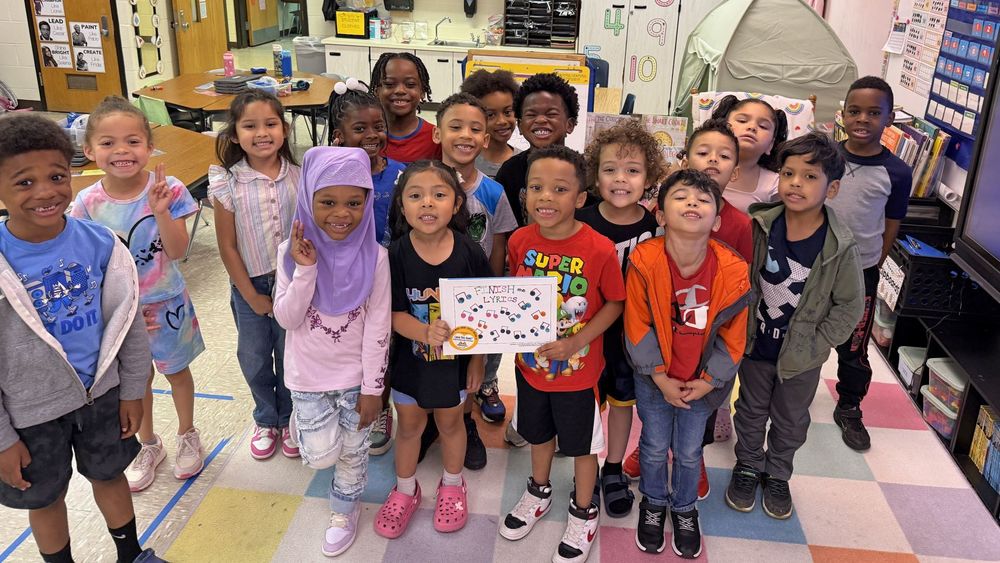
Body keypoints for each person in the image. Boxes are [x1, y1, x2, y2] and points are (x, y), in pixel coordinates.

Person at [0, 114, 164, 563]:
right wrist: (1, 438)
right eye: (24, 182)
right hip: (29, 414)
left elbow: (127, 323)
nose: (45, 192)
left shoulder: (103, 244)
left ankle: (131, 555)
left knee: (110, 476)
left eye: (56, 176)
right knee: (44, 498)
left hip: (102, 397)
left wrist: (132, 391)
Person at [70, 95, 205, 493]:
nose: (122, 151)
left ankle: (187, 433)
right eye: (108, 142)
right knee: (136, 380)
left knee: (177, 372)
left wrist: (161, 210)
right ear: (89, 150)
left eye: (132, 141)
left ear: (149, 147)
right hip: (122, 313)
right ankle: (149, 444)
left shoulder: (171, 188)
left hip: (167, 302)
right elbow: (85, 267)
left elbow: (178, 251)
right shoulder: (87, 203)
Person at [727, 133, 864, 521]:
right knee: (750, 410)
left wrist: (818, 343)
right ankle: (749, 465)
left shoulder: (840, 245)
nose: (795, 184)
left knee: (790, 418)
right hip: (756, 346)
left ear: (831, 188)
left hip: (801, 357)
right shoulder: (759, 224)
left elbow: (850, 305)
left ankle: (778, 473)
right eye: (788, 173)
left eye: (809, 176)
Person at [500, 146, 625, 563]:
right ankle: (538, 490)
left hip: (578, 372)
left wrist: (575, 342)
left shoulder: (600, 248)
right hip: (529, 367)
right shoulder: (519, 239)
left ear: (580, 197)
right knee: (538, 433)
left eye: (559, 189)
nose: (545, 197)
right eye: (536, 187)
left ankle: (584, 510)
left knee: (582, 445)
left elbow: (614, 303)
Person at [623, 169, 750, 557]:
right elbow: (637, 324)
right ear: (660, 214)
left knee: (691, 450)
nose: (692, 203)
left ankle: (684, 508)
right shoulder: (644, 260)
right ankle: (653, 502)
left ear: (717, 219)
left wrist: (709, 381)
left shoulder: (733, 269)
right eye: (680, 197)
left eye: (703, 199)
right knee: (655, 445)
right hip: (654, 379)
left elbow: (734, 336)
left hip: (703, 382)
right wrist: (659, 376)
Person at [272, 147, 390, 557]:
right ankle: (304, 428)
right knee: (321, 456)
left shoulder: (376, 257)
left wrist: (374, 389)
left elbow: (379, 327)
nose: (342, 213)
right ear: (307, 198)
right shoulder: (290, 251)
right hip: (306, 378)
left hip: (355, 380)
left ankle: (344, 509)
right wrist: (306, 270)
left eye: (354, 203)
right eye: (327, 202)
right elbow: (286, 319)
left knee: (354, 454)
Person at [374, 161, 491, 539]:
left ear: (456, 204)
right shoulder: (395, 255)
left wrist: (477, 361)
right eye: (416, 195)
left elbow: (485, 315)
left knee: (452, 423)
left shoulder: (471, 253)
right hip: (410, 364)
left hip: (454, 369)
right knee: (408, 427)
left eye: (439, 195)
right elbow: (392, 315)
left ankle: (453, 485)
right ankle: (406, 490)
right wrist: (424, 331)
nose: (427, 203)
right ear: (402, 206)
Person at [576, 119, 666, 518]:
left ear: (648, 178)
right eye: (610, 169)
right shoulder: (584, 222)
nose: (620, 179)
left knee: (623, 400)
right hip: (588, 330)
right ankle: (586, 467)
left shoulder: (654, 226)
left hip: (632, 334)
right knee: (587, 401)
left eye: (632, 171)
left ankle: (613, 467)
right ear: (595, 174)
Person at [209, 90, 301, 460]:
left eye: (270, 124)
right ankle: (267, 417)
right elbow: (228, 247)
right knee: (256, 356)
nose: (261, 133)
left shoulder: (300, 175)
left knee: (291, 353)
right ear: (234, 135)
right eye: (250, 126)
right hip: (250, 284)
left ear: (285, 129)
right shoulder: (226, 183)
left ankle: (292, 417)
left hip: (293, 283)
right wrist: (250, 295)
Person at [431, 93, 519, 469]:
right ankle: (426, 425)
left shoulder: (493, 192)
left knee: (469, 369)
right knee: (431, 363)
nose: (465, 135)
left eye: (475, 129)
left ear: (485, 139)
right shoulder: (418, 180)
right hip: (429, 295)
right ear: (437, 133)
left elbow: (498, 248)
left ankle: (466, 423)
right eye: (455, 127)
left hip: (474, 299)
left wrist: (492, 294)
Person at [826, 76, 911, 451]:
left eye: (874, 113)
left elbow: (892, 221)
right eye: (855, 111)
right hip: (812, 265)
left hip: (860, 272)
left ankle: (849, 406)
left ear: (889, 119)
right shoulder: (825, 156)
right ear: (842, 114)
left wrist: (873, 260)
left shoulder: (897, 172)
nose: (862, 119)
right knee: (796, 333)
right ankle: (782, 396)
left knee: (854, 345)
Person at [328, 80, 405, 457]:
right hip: (343, 280)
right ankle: (339, 403)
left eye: (379, 126)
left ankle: (380, 408)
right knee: (346, 343)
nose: (373, 135)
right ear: (339, 136)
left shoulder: (403, 174)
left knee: (383, 347)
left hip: (390, 279)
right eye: (360, 129)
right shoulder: (330, 173)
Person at [496, 73, 589, 227]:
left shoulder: (583, 171)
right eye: (531, 114)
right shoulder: (509, 172)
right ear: (519, 125)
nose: (540, 120)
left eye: (551, 114)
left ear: (570, 124)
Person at [710, 96, 788, 213]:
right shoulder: (691, 162)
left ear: (771, 145)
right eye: (742, 121)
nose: (752, 127)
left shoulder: (775, 185)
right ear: (722, 128)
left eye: (763, 126)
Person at [370, 52, 442, 163]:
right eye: (389, 84)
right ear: (377, 91)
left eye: (410, 84)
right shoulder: (368, 136)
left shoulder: (435, 139)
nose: (400, 90)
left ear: (422, 91)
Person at [460, 69, 522, 178]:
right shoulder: (465, 159)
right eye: (490, 115)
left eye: (507, 112)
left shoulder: (523, 161)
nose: (502, 121)